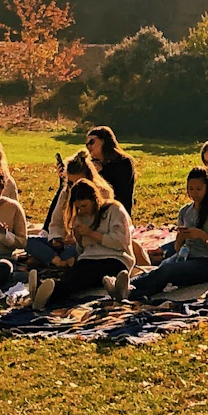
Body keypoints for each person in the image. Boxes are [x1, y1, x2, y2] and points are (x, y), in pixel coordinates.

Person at [128, 166, 208, 300]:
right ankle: (129, 289)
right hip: (185, 256)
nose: (194, 193)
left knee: (168, 270)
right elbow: (177, 248)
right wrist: (181, 237)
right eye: (191, 189)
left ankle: (129, 290)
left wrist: (201, 235)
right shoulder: (185, 211)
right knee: (160, 270)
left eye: (199, 189)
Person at [29, 179, 133, 309]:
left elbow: (121, 242)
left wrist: (91, 233)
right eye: (78, 207)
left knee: (83, 278)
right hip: (88, 258)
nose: (82, 210)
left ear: (95, 199)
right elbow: (82, 250)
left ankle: (46, 295)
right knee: (72, 277)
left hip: (115, 258)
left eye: (84, 206)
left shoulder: (114, 210)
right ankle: (43, 293)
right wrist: (77, 240)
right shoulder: (79, 217)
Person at [29, 149, 98, 269]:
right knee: (28, 241)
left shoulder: (99, 195)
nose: (74, 187)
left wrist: (77, 238)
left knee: (75, 252)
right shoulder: (66, 193)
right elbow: (55, 223)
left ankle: (50, 259)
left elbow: (99, 229)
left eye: (78, 183)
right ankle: (58, 262)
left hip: (84, 244)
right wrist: (56, 238)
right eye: (71, 183)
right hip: (64, 244)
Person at [86, 125, 137, 214]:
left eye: (92, 142)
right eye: (87, 144)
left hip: (118, 214)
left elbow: (121, 193)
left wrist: (101, 173)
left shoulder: (124, 162)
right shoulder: (91, 164)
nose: (88, 147)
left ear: (104, 141)